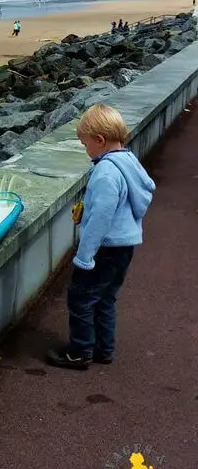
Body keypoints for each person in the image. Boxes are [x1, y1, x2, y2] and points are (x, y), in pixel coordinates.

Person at [46, 104, 155, 370]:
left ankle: (80, 351)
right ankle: (103, 349)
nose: (86, 151)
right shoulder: (129, 161)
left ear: (100, 140)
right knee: (105, 298)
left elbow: (100, 219)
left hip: (104, 248)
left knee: (80, 298)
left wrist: (84, 257)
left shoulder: (106, 173)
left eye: (85, 145)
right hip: (125, 245)